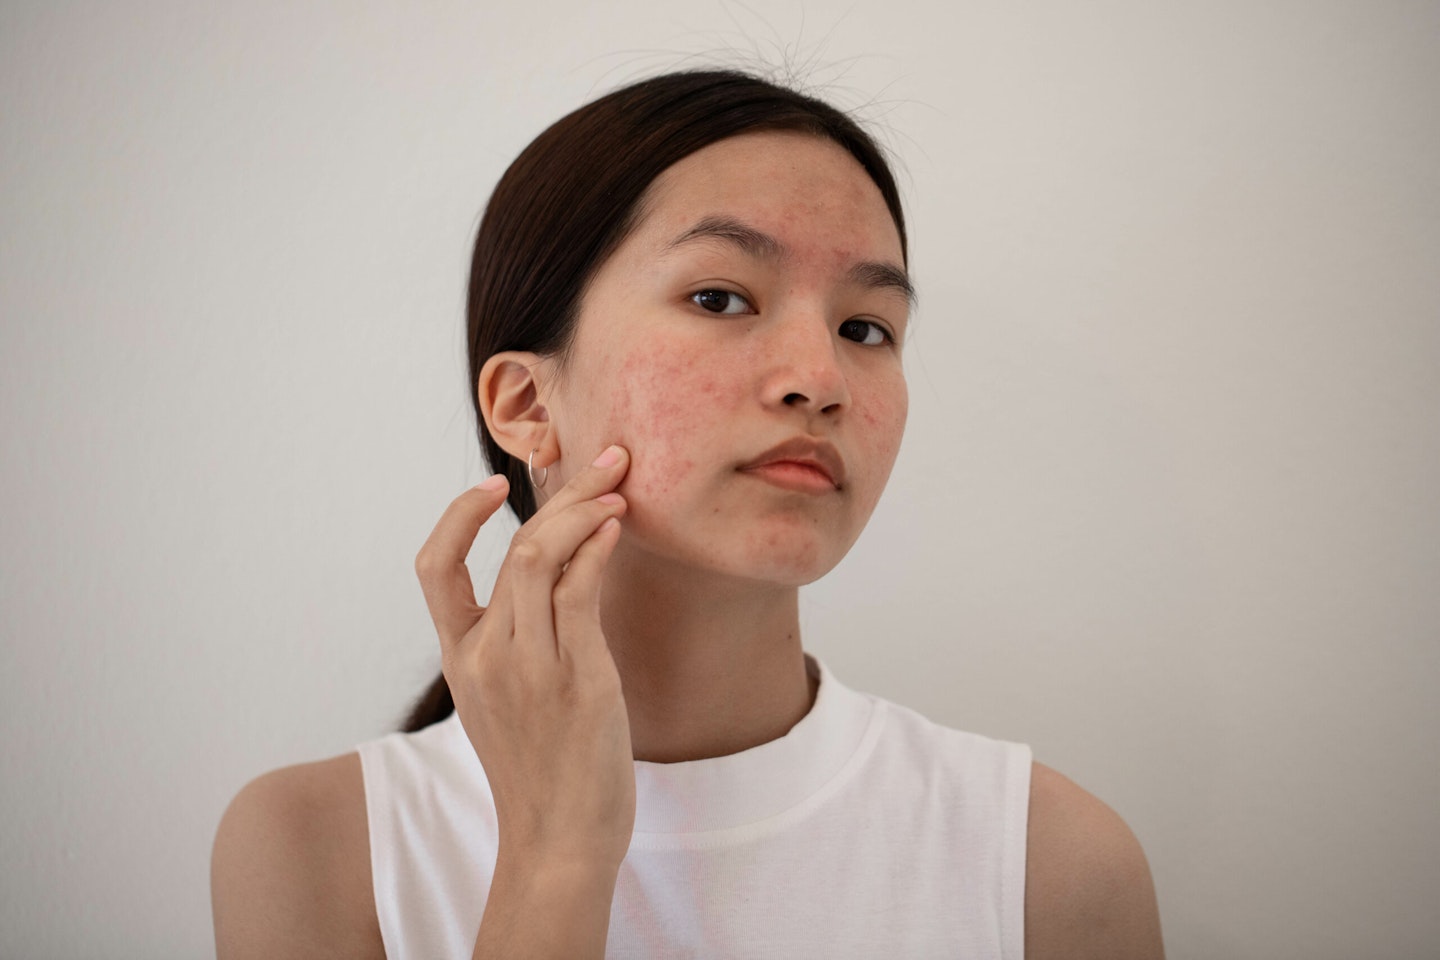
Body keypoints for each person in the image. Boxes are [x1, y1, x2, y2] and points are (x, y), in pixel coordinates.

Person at [211, 69, 1164, 959]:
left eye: (865, 327)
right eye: (719, 296)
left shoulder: (1053, 864)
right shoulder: (319, 847)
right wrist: (554, 860)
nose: (819, 380)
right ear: (528, 407)